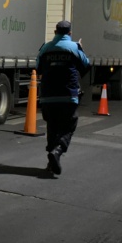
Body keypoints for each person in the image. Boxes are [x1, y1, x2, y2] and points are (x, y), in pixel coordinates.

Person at [36, 20, 90, 175]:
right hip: (68, 96)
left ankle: (51, 163)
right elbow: (86, 66)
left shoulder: (45, 48)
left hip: (48, 97)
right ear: (70, 33)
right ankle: (58, 151)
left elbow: (38, 67)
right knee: (68, 126)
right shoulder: (74, 47)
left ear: (55, 32)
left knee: (52, 127)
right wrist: (80, 49)